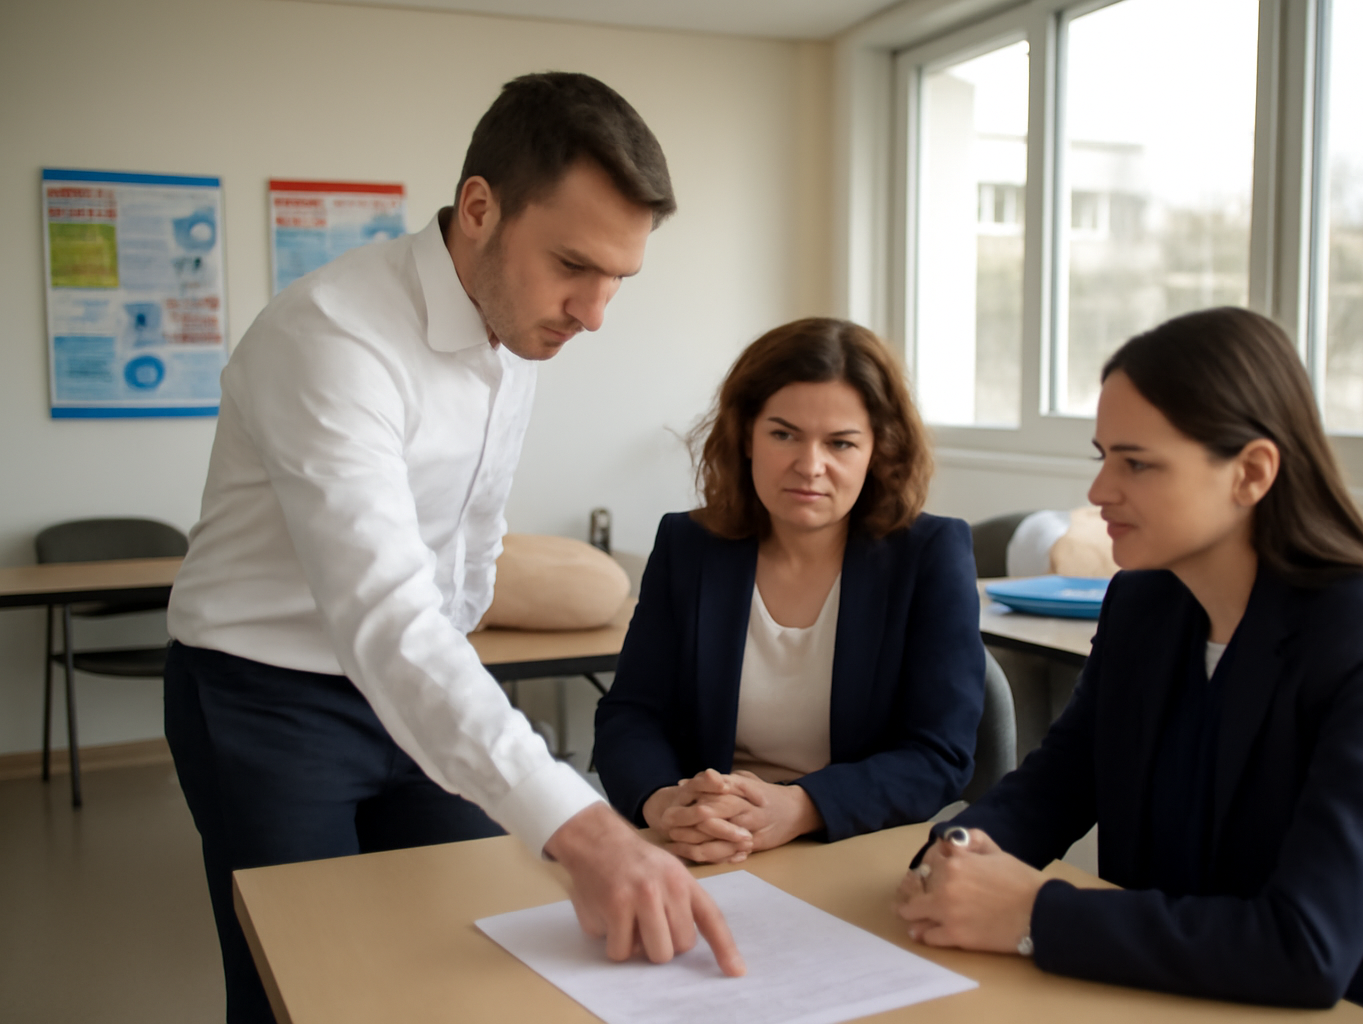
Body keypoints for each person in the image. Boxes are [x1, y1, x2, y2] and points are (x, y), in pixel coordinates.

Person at [165, 73, 742, 1024]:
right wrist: (589, 828)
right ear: (479, 207)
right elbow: (385, 613)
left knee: (473, 938)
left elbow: (471, 534)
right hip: (261, 690)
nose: (594, 313)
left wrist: (460, 681)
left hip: (414, 684)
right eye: (573, 266)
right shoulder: (330, 340)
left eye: (617, 281)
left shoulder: (515, 321)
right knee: (308, 986)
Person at [895, 307, 1363, 1024]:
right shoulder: (1146, 602)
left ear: (1251, 472)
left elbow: (1304, 947)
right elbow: (1057, 783)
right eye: (1103, 457)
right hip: (1183, 999)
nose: (1097, 493)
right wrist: (959, 850)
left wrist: (1032, 912)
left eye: (1138, 463)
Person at [593, 317, 986, 864]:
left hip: (852, 847)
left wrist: (800, 807)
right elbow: (631, 714)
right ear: (746, 436)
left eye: (841, 443)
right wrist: (665, 803)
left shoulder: (931, 553)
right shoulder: (689, 545)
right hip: (708, 846)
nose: (809, 466)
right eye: (784, 434)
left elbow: (938, 754)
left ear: (879, 450)